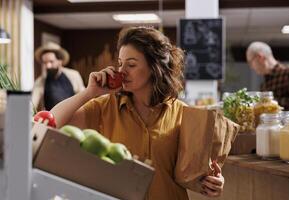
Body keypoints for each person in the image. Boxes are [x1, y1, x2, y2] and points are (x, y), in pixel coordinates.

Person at [51, 26, 224, 199]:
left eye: (131, 64)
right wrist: (89, 93)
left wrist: (214, 183)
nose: (121, 71)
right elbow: (51, 123)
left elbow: (196, 173)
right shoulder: (105, 107)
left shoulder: (182, 113)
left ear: (155, 66)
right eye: (120, 63)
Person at [246, 41, 289, 111]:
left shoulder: (288, 73)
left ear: (260, 57)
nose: (251, 67)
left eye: (250, 62)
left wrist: (272, 103)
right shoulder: (264, 84)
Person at [32, 42, 85, 111]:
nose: (48, 66)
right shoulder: (40, 82)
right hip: (51, 119)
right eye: (45, 62)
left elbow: (84, 97)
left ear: (60, 61)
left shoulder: (74, 75)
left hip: (74, 117)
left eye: (51, 62)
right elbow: (32, 104)